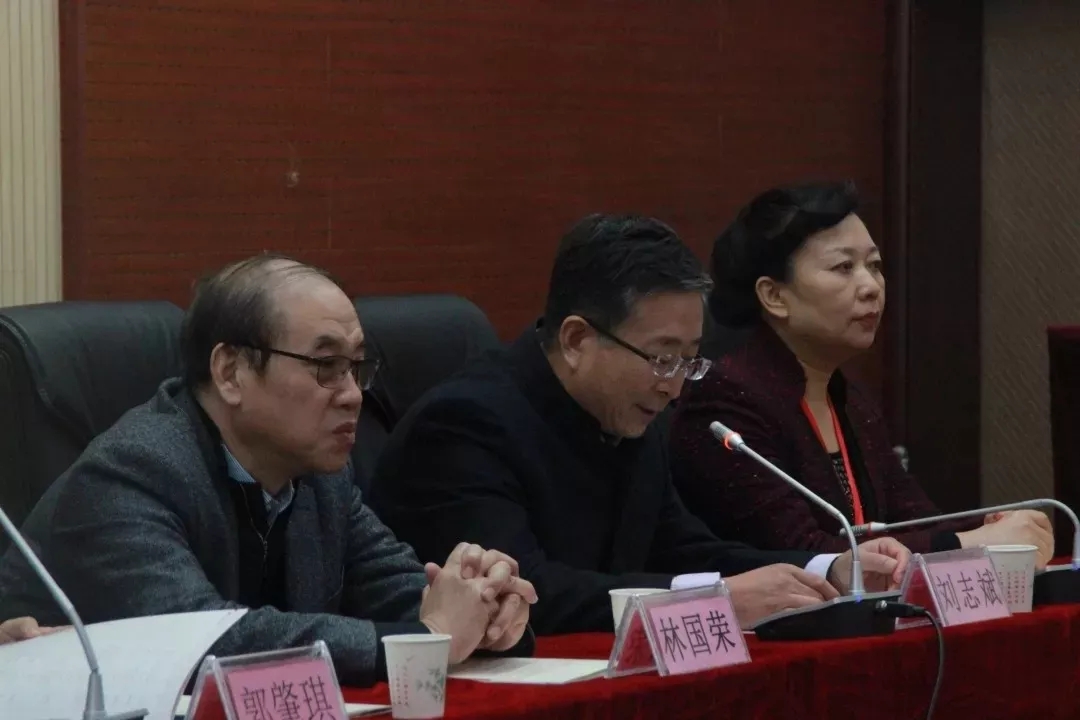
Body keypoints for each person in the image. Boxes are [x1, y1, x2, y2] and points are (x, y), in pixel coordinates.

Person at [0, 255, 535, 686]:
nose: (353, 395)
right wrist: (431, 637)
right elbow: (203, 640)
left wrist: (484, 609)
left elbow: (402, 592)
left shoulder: (320, 476)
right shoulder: (131, 473)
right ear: (231, 372)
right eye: (326, 366)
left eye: (357, 367)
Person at [368, 214, 910, 636]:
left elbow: (685, 550)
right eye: (662, 358)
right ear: (577, 340)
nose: (675, 386)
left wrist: (827, 568)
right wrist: (716, 600)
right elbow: (529, 592)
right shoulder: (463, 426)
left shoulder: (632, 415)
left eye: (689, 360)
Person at [669, 181, 1053, 563]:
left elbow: (913, 521)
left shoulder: (849, 400)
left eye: (874, 266)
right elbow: (807, 557)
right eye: (844, 267)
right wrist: (975, 543)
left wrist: (991, 526)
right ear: (774, 296)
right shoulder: (725, 403)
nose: (871, 287)